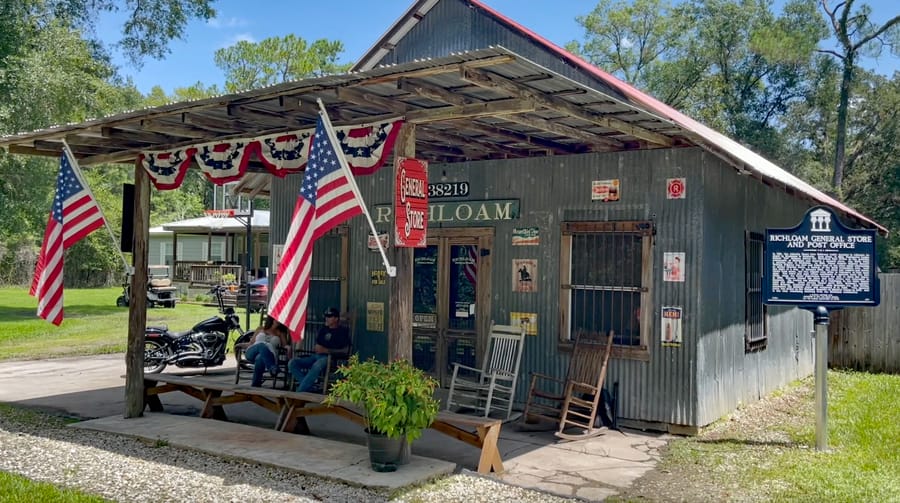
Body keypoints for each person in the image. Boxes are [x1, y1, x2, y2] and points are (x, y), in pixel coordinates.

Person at [289, 307, 350, 392]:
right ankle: (309, 388)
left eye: (330, 316)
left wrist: (327, 350)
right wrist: (317, 348)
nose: (327, 319)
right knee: (292, 363)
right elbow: (318, 344)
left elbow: (345, 351)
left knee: (317, 365)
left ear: (336, 319)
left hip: (329, 358)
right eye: (326, 316)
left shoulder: (342, 332)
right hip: (316, 356)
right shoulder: (323, 329)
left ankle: (299, 392)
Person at [243, 316, 288, 387]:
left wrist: (289, 348)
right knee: (261, 345)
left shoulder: (281, 332)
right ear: (272, 319)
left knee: (260, 358)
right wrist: (239, 345)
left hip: (269, 355)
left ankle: (255, 385)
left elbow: (284, 346)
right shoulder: (260, 328)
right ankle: (272, 367)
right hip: (252, 352)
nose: (279, 321)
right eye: (277, 318)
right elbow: (251, 343)